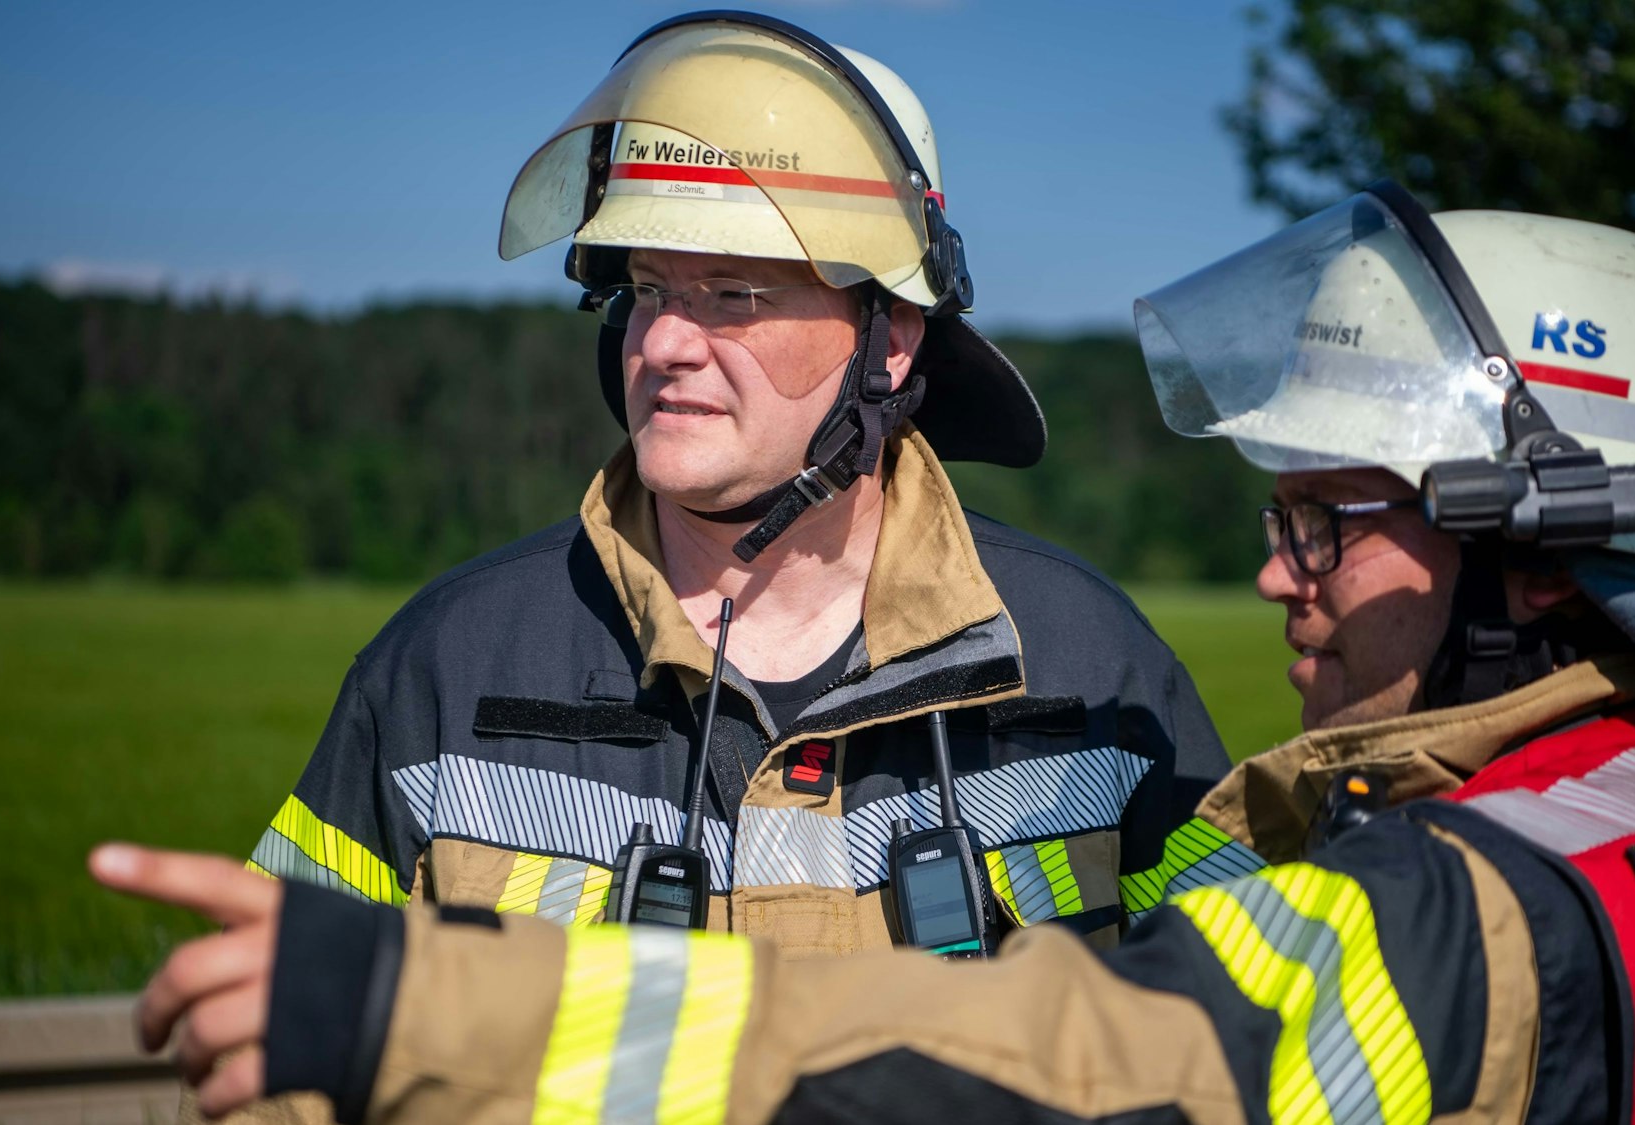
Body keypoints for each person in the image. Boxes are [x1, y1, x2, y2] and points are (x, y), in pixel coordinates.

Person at [96, 183, 1635, 1123]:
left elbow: (1050, 1067)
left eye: (1327, 519)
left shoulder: (1433, 910)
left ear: (1541, 564)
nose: (1275, 575)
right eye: (646, 291)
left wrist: (413, 1000)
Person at [241, 3, 1224, 1012]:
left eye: (730, 295)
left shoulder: (1091, 671)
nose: (661, 343)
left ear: (889, 339)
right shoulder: (449, 674)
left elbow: (1243, 1044)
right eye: (647, 288)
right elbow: (279, 1063)